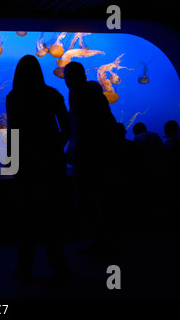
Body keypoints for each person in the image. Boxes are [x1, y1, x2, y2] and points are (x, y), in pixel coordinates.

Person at [6, 55, 72, 285]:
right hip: (52, 159)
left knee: (27, 214)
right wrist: (56, 147)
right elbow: (67, 127)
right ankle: (59, 264)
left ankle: (24, 266)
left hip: (25, 160)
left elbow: (13, 132)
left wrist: (12, 162)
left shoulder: (14, 97)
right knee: (54, 212)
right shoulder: (52, 94)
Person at [63, 61, 118, 255]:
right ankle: (108, 239)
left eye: (66, 76)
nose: (66, 80)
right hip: (101, 152)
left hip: (87, 153)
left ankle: (96, 241)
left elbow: (78, 124)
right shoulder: (95, 92)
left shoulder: (77, 91)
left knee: (86, 197)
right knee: (102, 196)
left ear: (71, 77)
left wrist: (69, 148)